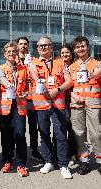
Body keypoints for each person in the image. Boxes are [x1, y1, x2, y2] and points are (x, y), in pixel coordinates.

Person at [29, 36, 73, 179]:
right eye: (40, 46)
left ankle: (63, 165)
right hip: (41, 105)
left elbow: (69, 81)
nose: (43, 48)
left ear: (51, 47)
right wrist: (38, 81)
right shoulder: (33, 62)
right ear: (37, 48)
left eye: (46, 45)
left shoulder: (61, 63)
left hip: (58, 104)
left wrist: (58, 89)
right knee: (44, 134)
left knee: (61, 136)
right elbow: (34, 74)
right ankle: (48, 161)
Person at [0, 42, 29, 177]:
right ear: (4, 54)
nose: (11, 53)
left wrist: (26, 93)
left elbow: (28, 86)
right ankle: (7, 160)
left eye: (13, 51)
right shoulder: (0, 68)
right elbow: (1, 79)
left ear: (17, 52)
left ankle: (21, 163)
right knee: (6, 134)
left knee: (20, 134)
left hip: (19, 105)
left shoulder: (23, 69)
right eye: (8, 51)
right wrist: (10, 86)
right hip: (5, 105)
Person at [69, 36, 101, 175]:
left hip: (93, 102)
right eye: (78, 47)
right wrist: (73, 95)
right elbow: (68, 86)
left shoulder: (97, 64)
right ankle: (84, 161)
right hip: (77, 103)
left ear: (87, 47)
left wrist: (93, 74)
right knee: (79, 132)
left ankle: (99, 160)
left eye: (83, 46)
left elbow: (97, 75)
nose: (80, 49)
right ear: (75, 50)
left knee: (96, 133)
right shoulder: (71, 67)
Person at [16, 37, 44, 162]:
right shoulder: (13, 59)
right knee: (18, 127)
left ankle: (34, 150)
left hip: (32, 98)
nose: (23, 46)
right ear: (17, 46)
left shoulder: (33, 60)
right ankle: (18, 151)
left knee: (33, 126)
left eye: (25, 44)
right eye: (21, 44)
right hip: (19, 98)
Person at [52, 46, 77, 166]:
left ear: (71, 55)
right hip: (59, 101)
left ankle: (72, 155)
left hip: (73, 101)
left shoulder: (75, 66)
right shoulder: (56, 65)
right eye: (62, 53)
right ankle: (57, 155)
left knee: (72, 130)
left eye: (67, 52)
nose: (65, 54)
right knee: (59, 129)